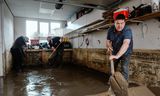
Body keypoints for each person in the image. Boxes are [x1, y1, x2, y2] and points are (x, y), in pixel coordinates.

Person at [106, 14, 133, 81]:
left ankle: (124, 85)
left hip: (126, 52)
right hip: (115, 50)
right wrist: (108, 46)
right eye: (117, 23)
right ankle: (112, 82)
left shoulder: (127, 30)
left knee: (124, 67)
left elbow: (126, 44)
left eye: (122, 23)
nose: (120, 25)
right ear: (114, 22)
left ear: (124, 22)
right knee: (112, 65)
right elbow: (108, 40)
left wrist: (117, 56)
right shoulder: (110, 30)